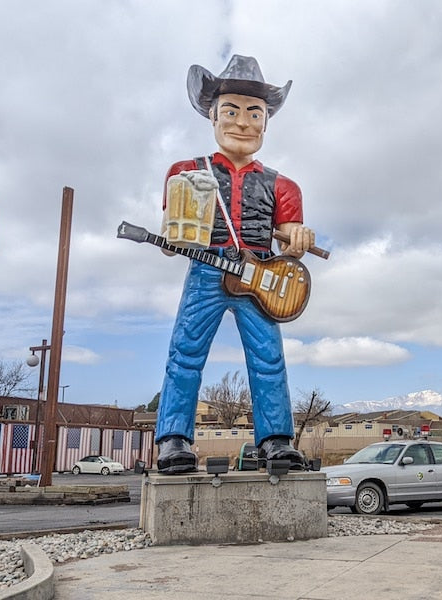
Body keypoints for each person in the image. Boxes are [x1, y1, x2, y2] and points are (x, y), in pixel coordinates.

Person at [154, 54, 316, 474]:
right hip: (208, 269)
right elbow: (171, 238)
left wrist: (296, 239)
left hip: (259, 274)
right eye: (232, 110)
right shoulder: (186, 172)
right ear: (212, 116)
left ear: (266, 121)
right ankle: (173, 438)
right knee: (186, 352)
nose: (243, 122)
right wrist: (173, 237)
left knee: (268, 356)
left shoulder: (285, 186)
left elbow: (291, 243)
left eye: (254, 112)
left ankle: (276, 438)